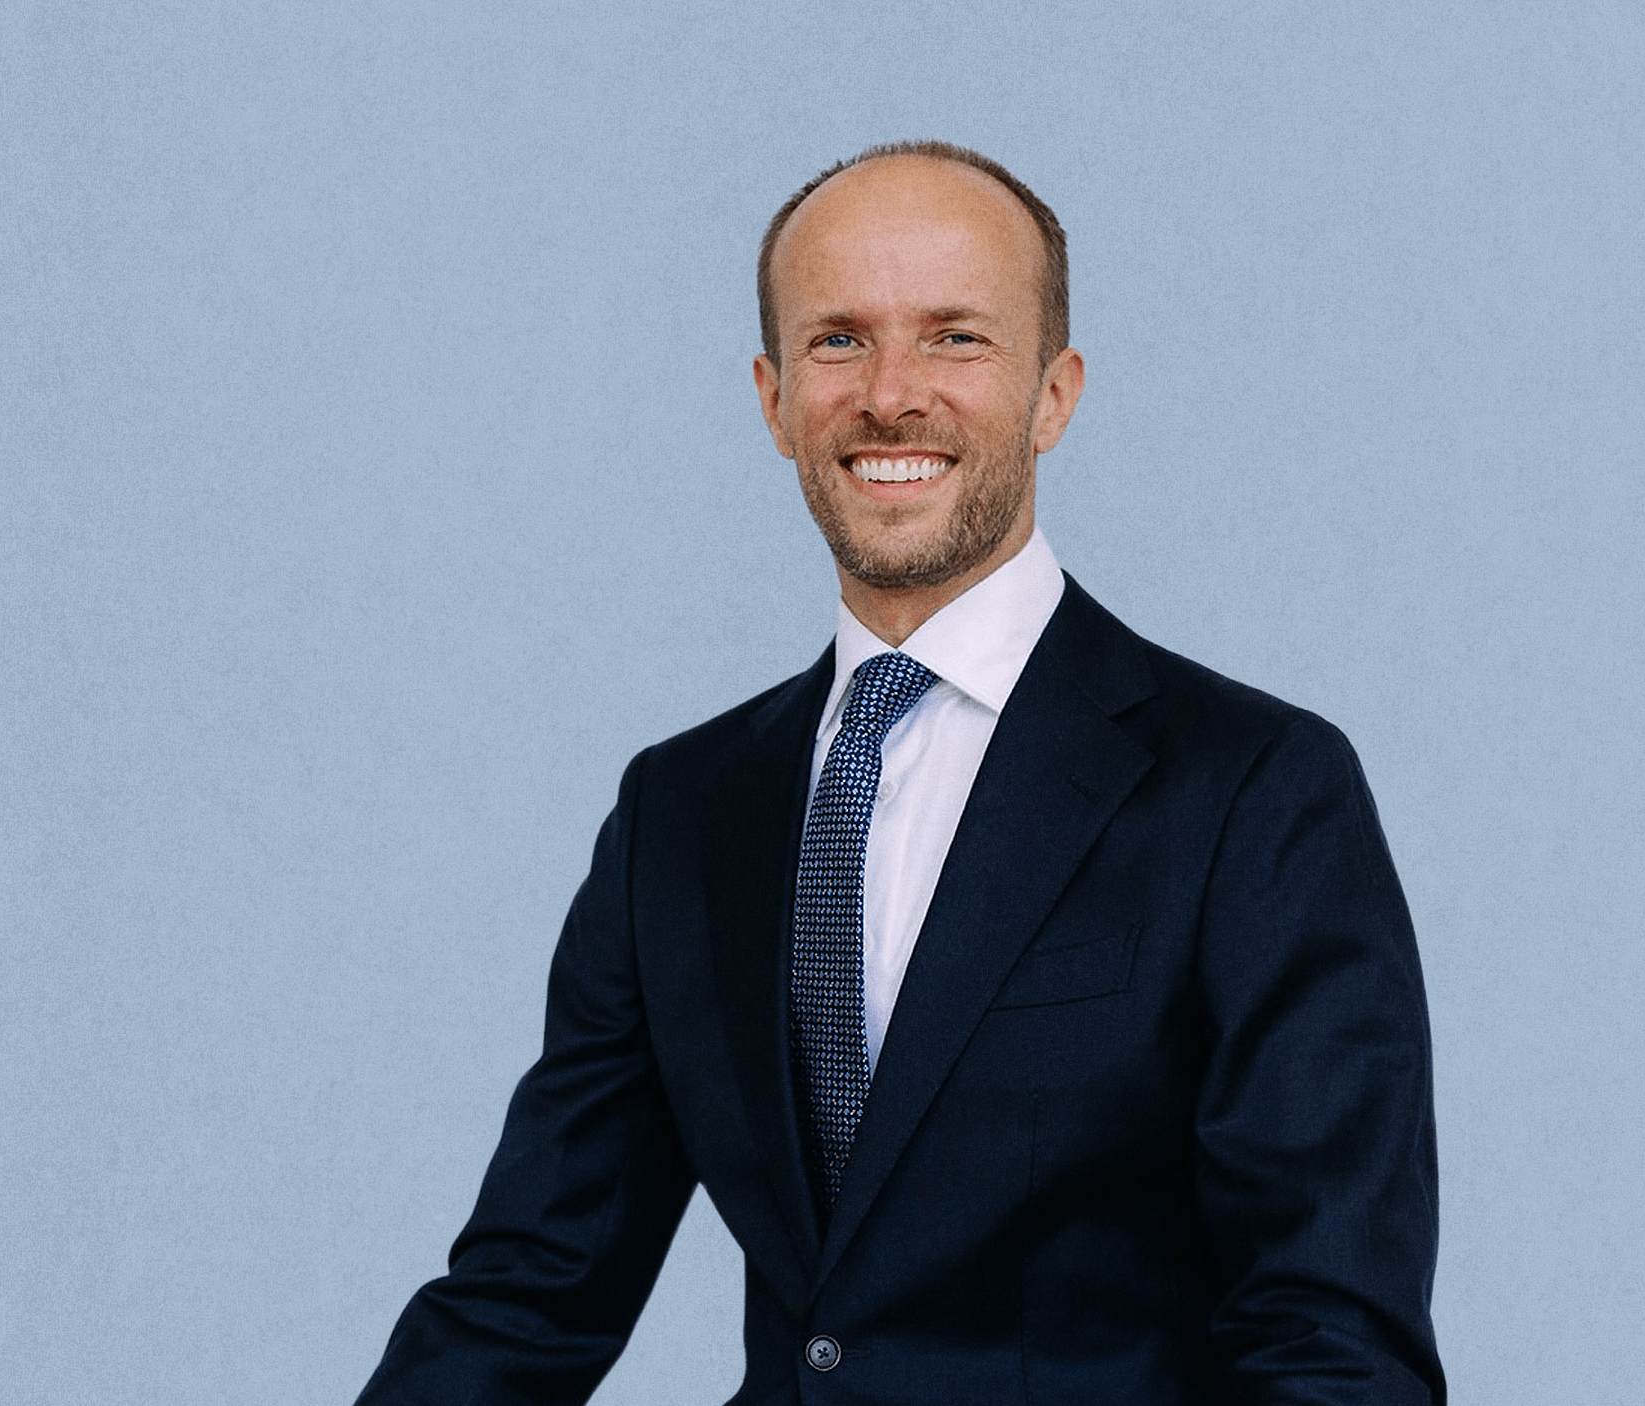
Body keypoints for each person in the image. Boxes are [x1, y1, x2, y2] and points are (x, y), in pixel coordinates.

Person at [355, 140, 1446, 1405]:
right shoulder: (682, 812)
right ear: (770, 398)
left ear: (1054, 393)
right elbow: (526, 1294)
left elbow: (1331, 1340)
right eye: (836, 341)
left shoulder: (1253, 791)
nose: (890, 394)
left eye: (955, 339)